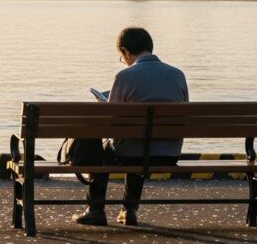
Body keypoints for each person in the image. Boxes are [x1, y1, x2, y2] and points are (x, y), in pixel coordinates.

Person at [72, 27, 189, 227]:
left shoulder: (125, 76)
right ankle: (129, 210)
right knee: (140, 139)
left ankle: (95, 209)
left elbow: (113, 122)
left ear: (126, 51)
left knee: (110, 148)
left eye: (122, 56)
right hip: (169, 153)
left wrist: (104, 105)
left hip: (132, 153)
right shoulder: (178, 75)